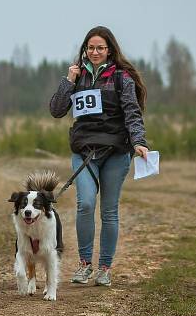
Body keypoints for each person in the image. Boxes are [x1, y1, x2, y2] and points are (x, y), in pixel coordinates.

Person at [49, 26, 149, 287]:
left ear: (109, 50)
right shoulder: (78, 76)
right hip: (84, 153)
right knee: (85, 204)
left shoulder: (121, 77)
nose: (95, 52)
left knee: (109, 211)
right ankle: (84, 264)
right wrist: (68, 82)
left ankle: (104, 267)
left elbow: (132, 112)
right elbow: (57, 110)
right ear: (85, 49)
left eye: (100, 48)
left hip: (115, 153)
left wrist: (139, 141)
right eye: (90, 48)